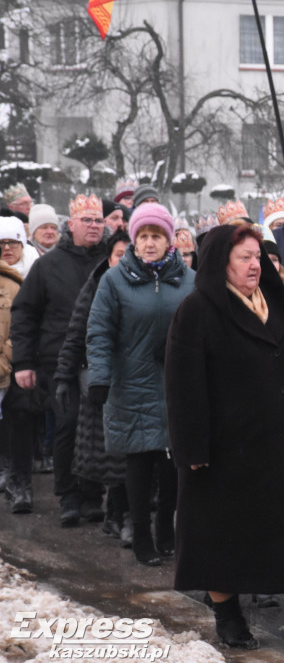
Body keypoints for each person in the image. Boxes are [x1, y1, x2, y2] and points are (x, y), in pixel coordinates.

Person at [165, 224, 284, 650]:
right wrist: (191, 446)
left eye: (257, 257)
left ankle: (252, 598)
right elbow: (181, 384)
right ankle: (227, 615)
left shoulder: (274, 306)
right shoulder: (197, 310)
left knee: (258, 530)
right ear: (220, 264)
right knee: (217, 535)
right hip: (220, 446)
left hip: (270, 442)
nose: (254, 265)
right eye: (243, 258)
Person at [86, 204, 194, 566]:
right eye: (143, 236)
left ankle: (167, 529)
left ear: (169, 240)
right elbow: (99, 332)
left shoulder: (188, 279)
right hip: (131, 382)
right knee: (139, 463)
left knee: (173, 463)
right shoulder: (114, 280)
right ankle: (142, 535)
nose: (150, 243)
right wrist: (99, 377)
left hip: (176, 384)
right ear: (134, 240)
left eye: (157, 236)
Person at [11, 194, 107, 527]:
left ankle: (93, 495)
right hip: (58, 362)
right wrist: (23, 363)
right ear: (72, 225)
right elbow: (24, 313)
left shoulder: (112, 260)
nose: (94, 225)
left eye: (99, 220)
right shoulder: (48, 265)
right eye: (87, 220)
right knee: (67, 427)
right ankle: (68, 495)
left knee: (98, 431)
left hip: (101, 361)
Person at [54, 231, 132, 543]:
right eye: (117, 255)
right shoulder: (96, 285)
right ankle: (116, 513)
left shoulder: (147, 287)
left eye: (129, 254)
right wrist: (63, 375)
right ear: (108, 258)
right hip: (99, 384)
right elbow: (75, 334)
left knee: (130, 454)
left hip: (137, 382)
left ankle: (123, 515)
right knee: (110, 454)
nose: (123, 262)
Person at [0, 226, 25, 512]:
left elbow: (18, 327)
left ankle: (13, 473)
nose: (7, 248)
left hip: (10, 367)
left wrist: (5, 358)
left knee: (14, 422)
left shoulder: (13, 283)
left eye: (13, 242)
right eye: (1, 242)